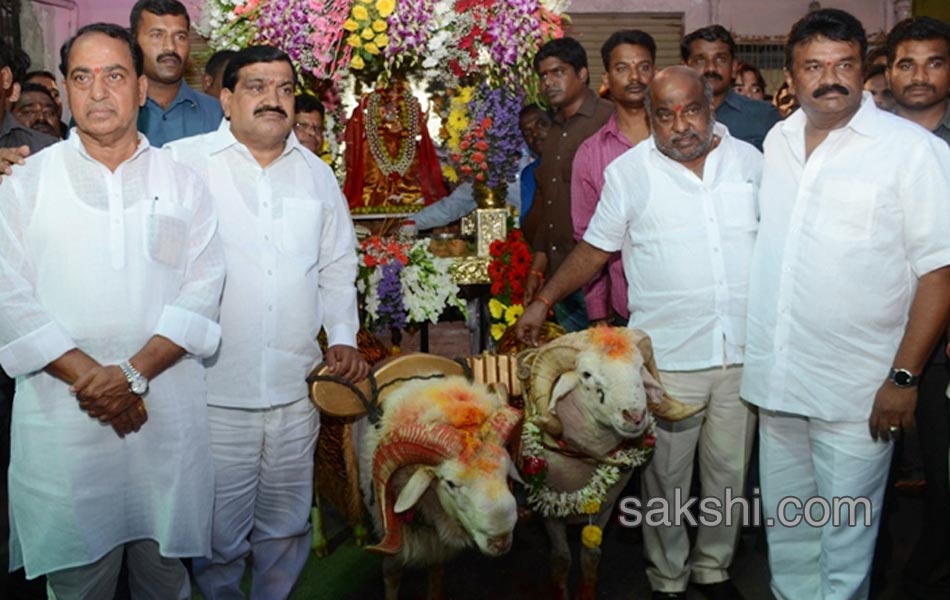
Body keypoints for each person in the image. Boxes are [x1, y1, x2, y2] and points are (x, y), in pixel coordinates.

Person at [514, 66, 762, 600]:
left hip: (742, 350)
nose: (680, 125)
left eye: (691, 110)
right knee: (666, 478)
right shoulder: (630, 173)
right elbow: (595, 250)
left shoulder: (750, 163)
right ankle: (668, 577)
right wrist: (543, 300)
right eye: (665, 115)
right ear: (649, 118)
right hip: (668, 359)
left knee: (729, 473)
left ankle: (713, 569)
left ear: (710, 106)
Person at [0, 22, 226, 598]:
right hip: (63, 421)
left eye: (115, 75)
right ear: (66, 93)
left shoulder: (183, 184)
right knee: (78, 582)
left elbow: (203, 287)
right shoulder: (23, 185)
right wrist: (96, 382)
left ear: (143, 89)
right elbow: (9, 297)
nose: (98, 91)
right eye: (82, 77)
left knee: (165, 576)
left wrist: (131, 376)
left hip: (164, 418)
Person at [740, 9, 950, 600]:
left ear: (865, 70)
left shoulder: (912, 152)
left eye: (844, 65)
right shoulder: (777, 141)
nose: (829, 79)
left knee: (846, 550)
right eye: (814, 66)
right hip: (779, 386)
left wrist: (904, 378)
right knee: (790, 538)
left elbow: (939, 272)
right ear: (792, 73)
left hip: (859, 393)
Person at [165, 45, 369, 599]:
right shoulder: (183, 164)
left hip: (294, 386)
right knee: (217, 533)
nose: (272, 100)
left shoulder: (316, 173)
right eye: (256, 87)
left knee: (286, 525)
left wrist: (345, 338)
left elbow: (336, 263)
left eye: (283, 88)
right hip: (213, 386)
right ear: (225, 99)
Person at [885, 16, 950, 598]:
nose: (920, 75)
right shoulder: (865, 140)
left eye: (934, 61)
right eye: (907, 62)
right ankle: (870, 568)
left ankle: (926, 569)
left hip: (943, 340)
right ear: (887, 71)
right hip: (873, 333)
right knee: (866, 476)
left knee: (942, 469)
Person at [524, 37, 613, 332]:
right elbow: (546, 204)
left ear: (583, 74)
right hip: (561, 280)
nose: (549, 82)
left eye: (558, 72)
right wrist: (539, 267)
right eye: (543, 76)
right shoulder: (553, 130)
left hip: (603, 278)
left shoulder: (608, 119)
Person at [571, 30, 656, 327]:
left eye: (643, 67)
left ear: (655, 73)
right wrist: (598, 316)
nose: (635, 77)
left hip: (687, 307)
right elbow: (587, 239)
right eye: (622, 68)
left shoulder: (679, 142)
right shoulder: (590, 154)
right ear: (606, 78)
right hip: (625, 312)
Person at [342, 77, 447, 211]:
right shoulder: (369, 144)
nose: (392, 105)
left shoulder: (410, 144)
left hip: (409, 193)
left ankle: (401, 194)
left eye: (398, 99)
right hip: (375, 190)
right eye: (387, 102)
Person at [131, 0, 223, 146]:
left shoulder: (217, 114)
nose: (170, 47)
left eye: (180, 37)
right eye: (157, 35)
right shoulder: (117, 111)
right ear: (134, 41)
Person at [681, 25, 781, 150]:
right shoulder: (671, 118)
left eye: (720, 59)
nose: (711, 68)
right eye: (700, 61)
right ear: (684, 69)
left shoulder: (763, 115)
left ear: (734, 67)